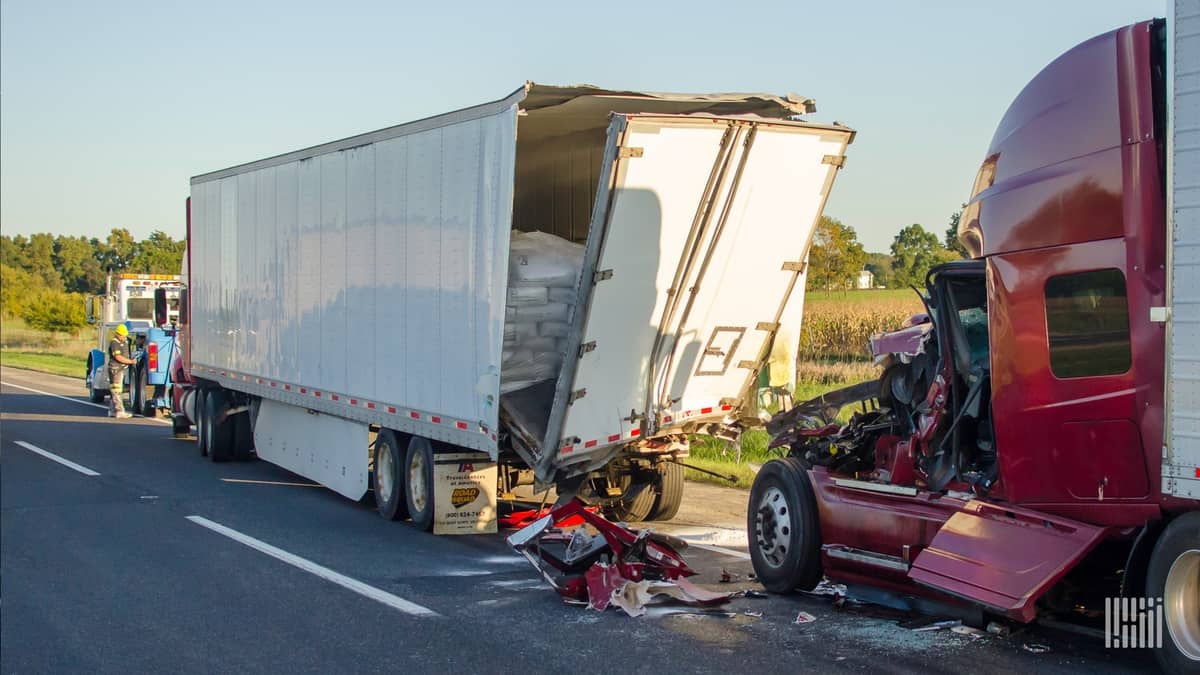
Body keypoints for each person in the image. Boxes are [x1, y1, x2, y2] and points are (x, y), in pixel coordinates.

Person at [108, 324, 136, 418]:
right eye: (123, 335)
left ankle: (112, 410)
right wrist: (130, 362)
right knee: (116, 391)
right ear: (118, 334)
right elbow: (118, 357)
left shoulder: (124, 342)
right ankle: (119, 411)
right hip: (116, 369)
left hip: (120, 369)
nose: (125, 337)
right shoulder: (114, 343)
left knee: (115, 391)